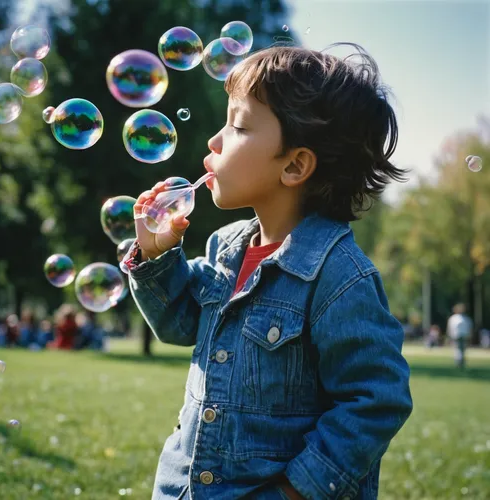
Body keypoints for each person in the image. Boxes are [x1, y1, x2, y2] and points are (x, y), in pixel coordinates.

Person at [123, 44, 413, 500]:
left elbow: (374, 401)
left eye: (237, 125)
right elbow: (180, 323)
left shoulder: (339, 276)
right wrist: (158, 254)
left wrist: (297, 490)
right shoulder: (226, 248)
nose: (214, 141)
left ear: (295, 165)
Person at [446, 303, 473, 369]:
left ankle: (460, 361)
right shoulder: (454, 318)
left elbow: (469, 328)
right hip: (457, 335)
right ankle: (459, 361)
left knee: (461, 349)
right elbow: (450, 328)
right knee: (459, 349)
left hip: (463, 335)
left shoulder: (465, 318)